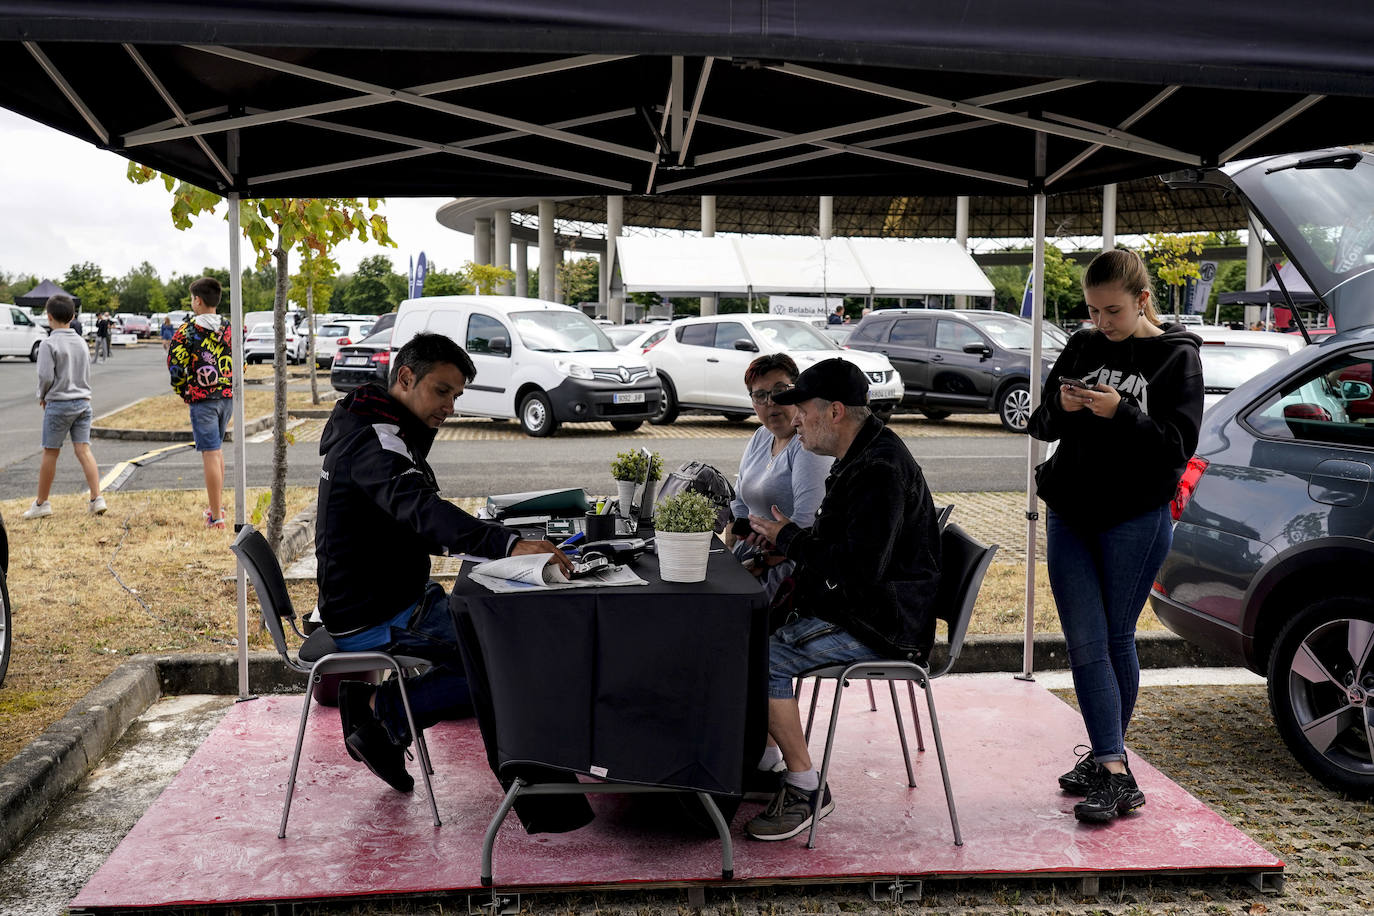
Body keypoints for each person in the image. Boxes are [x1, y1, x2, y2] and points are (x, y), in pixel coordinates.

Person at [318, 331, 571, 792]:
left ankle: (381, 709)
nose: (450, 406)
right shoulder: (374, 440)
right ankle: (383, 712)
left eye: (456, 396)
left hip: (390, 595)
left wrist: (495, 540)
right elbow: (421, 512)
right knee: (510, 660)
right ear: (407, 377)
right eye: (442, 391)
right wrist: (507, 545)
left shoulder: (381, 425)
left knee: (504, 641)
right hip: (376, 610)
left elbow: (416, 516)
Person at [1027, 248, 1203, 824]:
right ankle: (1111, 763)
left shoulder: (1175, 357)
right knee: (1085, 640)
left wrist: (1120, 413)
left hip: (1135, 515)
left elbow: (1178, 447)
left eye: (1113, 311)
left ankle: (1111, 767)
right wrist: (1062, 404)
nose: (1102, 323)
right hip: (1070, 510)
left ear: (1143, 300)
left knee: (1114, 638)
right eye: (1093, 311)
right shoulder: (1081, 346)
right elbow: (1040, 424)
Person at [742, 358, 942, 842]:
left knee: (762, 656)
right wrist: (782, 551)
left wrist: (789, 539)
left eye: (802, 411)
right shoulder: (862, 454)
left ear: (833, 412)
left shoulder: (878, 469)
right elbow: (842, 552)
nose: (795, 420)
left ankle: (806, 786)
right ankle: (766, 764)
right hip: (868, 609)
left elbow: (857, 569)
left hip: (884, 626)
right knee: (748, 634)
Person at [724, 353, 832, 604]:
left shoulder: (808, 445)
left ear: (796, 392)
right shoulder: (762, 436)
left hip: (789, 568)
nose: (771, 402)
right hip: (751, 555)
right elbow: (739, 500)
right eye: (760, 395)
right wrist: (740, 536)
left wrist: (764, 556)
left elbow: (806, 523)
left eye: (780, 390)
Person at [22, 295, 107, 519]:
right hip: (82, 401)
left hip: (59, 403)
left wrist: (42, 395)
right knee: (83, 449)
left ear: (48, 317)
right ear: (73, 316)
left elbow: (45, 375)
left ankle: (41, 503)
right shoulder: (80, 341)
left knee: (51, 452)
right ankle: (96, 497)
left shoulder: (49, 344)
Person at [167, 277, 233, 529]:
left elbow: (175, 365)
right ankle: (218, 504)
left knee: (210, 452)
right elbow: (241, 360)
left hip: (202, 398)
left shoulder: (188, 330)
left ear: (198, 300)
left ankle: (216, 516)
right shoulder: (229, 327)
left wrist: (184, 391)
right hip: (226, 396)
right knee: (217, 450)